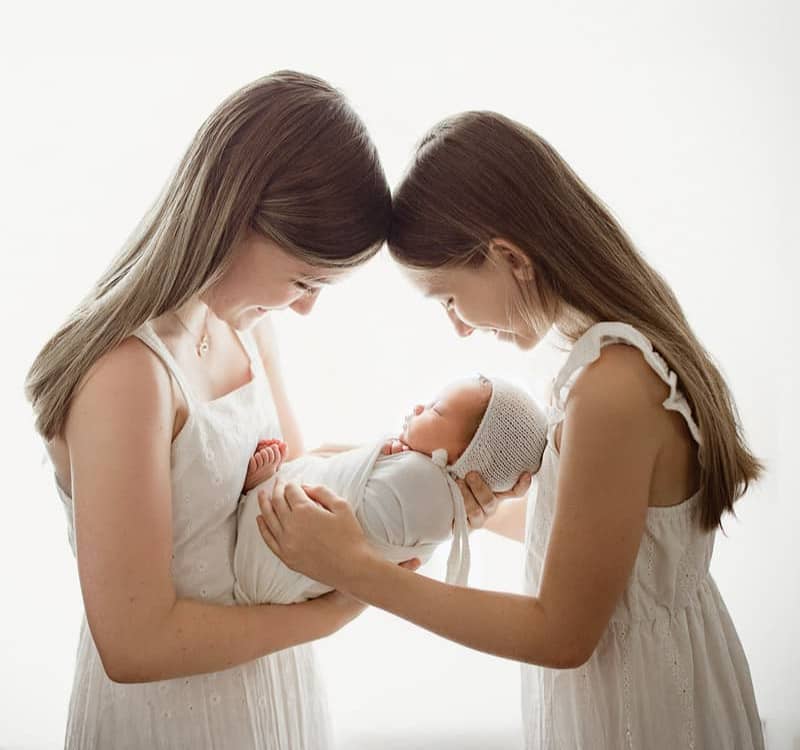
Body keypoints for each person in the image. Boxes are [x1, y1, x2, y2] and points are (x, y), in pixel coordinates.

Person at [256, 111, 766, 749]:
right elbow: (617, 551)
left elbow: (561, 634)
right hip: (652, 684)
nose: (459, 327)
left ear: (509, 258)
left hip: (646, 710)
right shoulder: (606, 360)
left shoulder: (612, 387)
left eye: (448, 296)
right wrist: (474, 509)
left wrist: (360, 570)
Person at [24, 70, 409, 750]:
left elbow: (286, 484)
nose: (306, 307)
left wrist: (391, 467)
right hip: (175, 721)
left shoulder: (248, 329)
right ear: (237, 217)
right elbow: (135, 643)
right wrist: (337, 611)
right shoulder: (129, 374)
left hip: (275, 694)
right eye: (304, 280)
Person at [234, 374, 548, 605]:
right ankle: (265, 486)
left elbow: (356, 510)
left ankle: (262, 489)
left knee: (296, 500)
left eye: (436, 409)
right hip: (278, 555)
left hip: (274, 551)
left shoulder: (426, 488)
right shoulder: (415, 471)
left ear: (468, 459)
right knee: (311, 479)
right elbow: (337, 467)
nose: (419, 407)